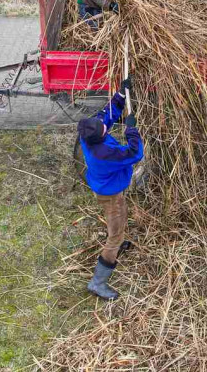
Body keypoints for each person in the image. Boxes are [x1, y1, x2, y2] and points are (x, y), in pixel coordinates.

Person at [77, 77, 143, 300]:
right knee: (115, 234)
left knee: (120, 216)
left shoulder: (88, 132)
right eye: (106, 129)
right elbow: (134, 154)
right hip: (110, 194)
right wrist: (132, 131)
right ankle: (97, 283)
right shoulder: (105, 154)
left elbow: (106, 116)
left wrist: (121, 95)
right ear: (101, 136)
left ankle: (118, 237)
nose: (106, 125)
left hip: (107, 188)